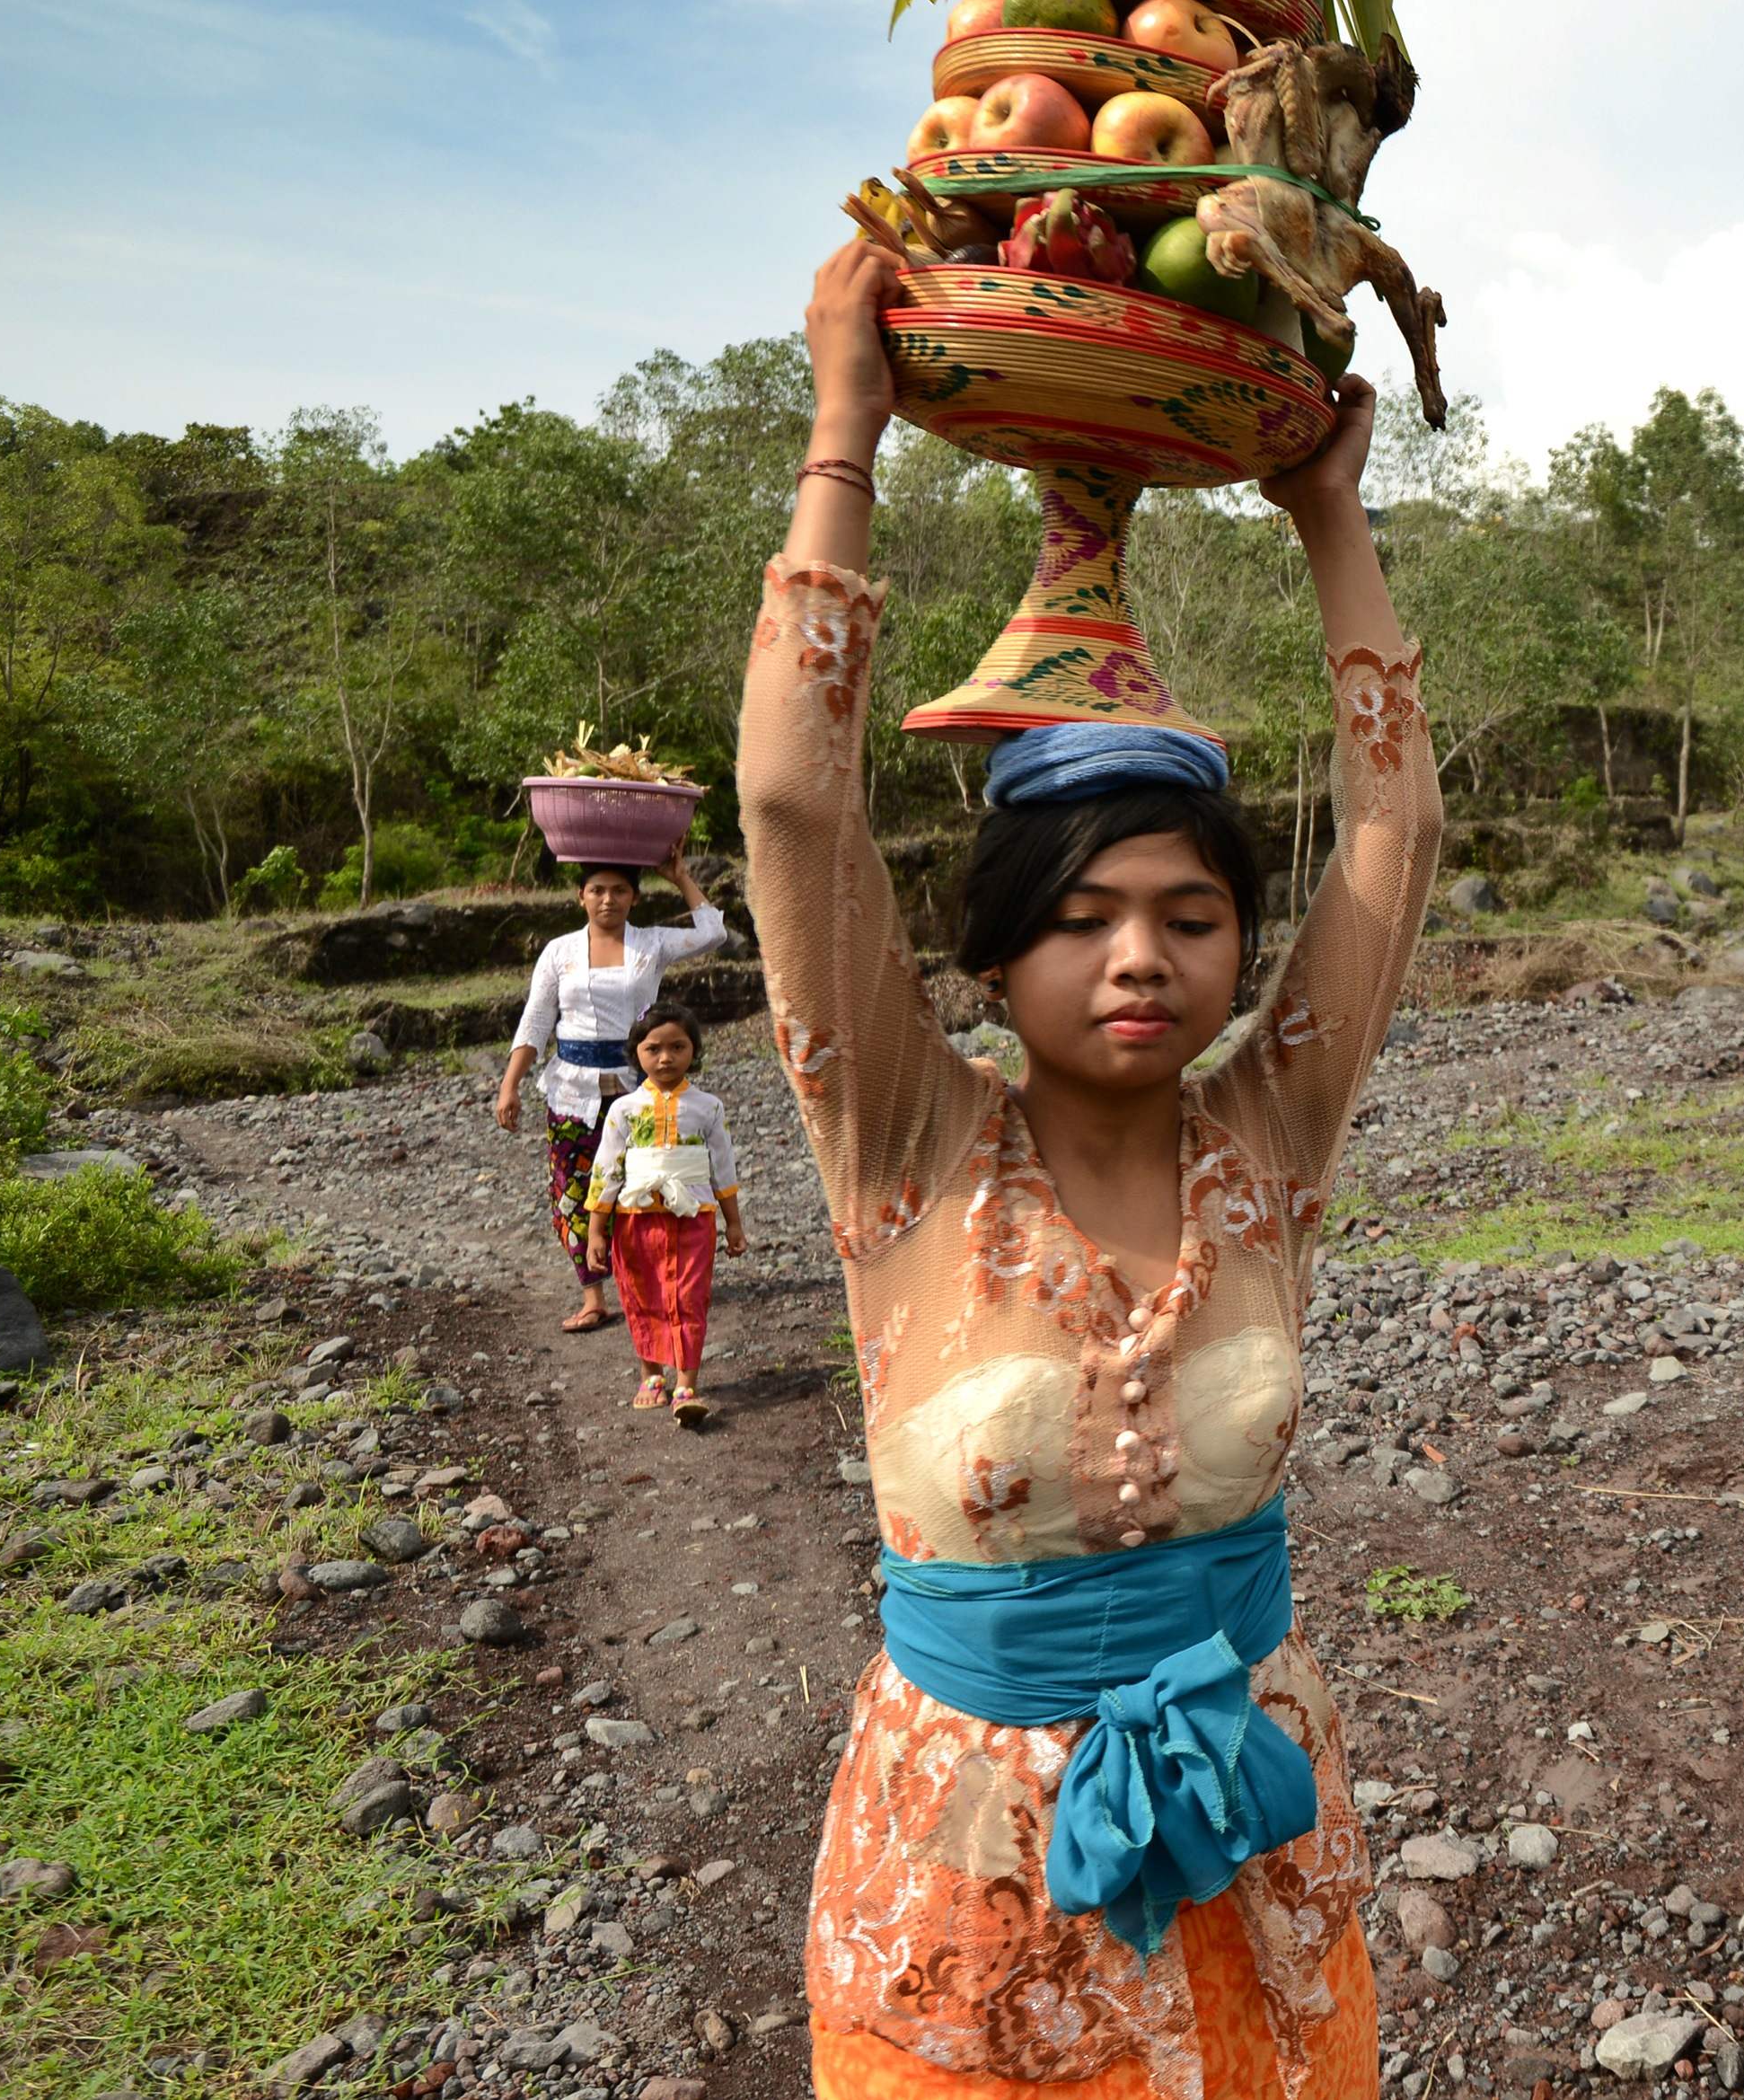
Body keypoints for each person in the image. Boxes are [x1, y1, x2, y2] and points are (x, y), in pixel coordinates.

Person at [744, 237, 1436, 2100]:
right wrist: (845, 425)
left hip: (1252, 1821)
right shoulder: (902, 1145)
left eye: (1189, 915)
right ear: (992, 959)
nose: (1139, 957)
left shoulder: (1266, 1142)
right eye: (1083, 916)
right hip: (967, 1860)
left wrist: (1327, 515)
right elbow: (798, 805)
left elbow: (1398, 828)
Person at [495, 857, 730, 1331]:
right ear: (581, 896)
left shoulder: (652, 944)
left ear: (634, 897)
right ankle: (592, 1295)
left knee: (644, 1184)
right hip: (571, 1091)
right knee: (575, 1190)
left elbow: (712, 933)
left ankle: (652, 1283)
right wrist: (510, 1084)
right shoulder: (559, 953)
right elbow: (537, 1022)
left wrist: (680, 875)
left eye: (619, 891)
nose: (608, 900)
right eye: (597, 890)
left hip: (639, 1089)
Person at [585, 1005, 748, 1425]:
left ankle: (686, 1384)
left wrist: (733, 1223)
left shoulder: (708, 1108)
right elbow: (607, 1170)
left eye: (678, 1047)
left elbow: (723, 1167)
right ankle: (650, 1374)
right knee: (642, 1295)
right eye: (653, 1048)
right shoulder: (623, 1110)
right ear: (635, 1052)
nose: (665, 1058)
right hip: (636, 1221)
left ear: (694, 1049)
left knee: (691, 1297)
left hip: (693, 1218)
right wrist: (597, 1232)